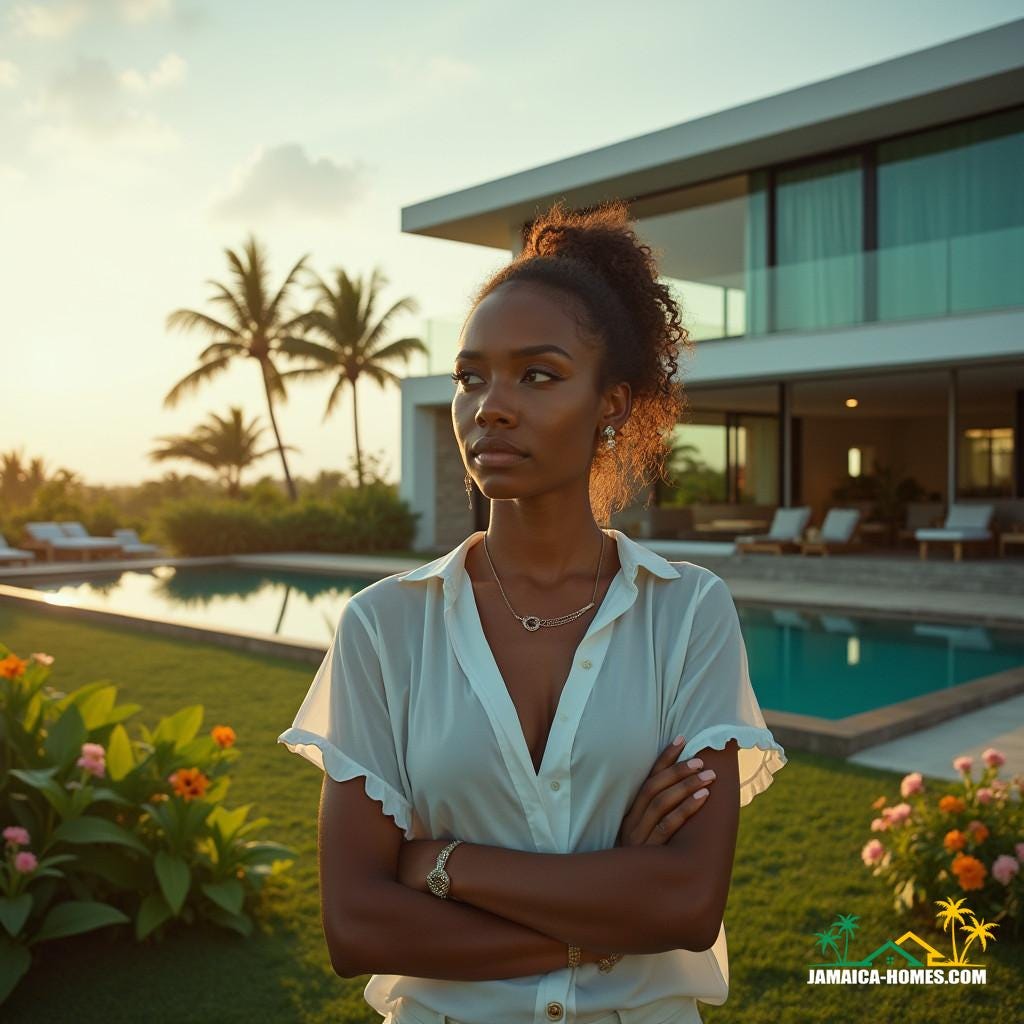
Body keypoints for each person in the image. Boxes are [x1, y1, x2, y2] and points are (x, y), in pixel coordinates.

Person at [278, 199, 787, 1024]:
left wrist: (440, 863)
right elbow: (358, 925)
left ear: (612, 405)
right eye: (471, 376)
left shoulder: (687, 613)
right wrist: (598, 922)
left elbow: (687, 903)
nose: (492, 405)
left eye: (538, 375)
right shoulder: (384, 627)